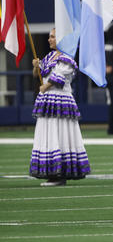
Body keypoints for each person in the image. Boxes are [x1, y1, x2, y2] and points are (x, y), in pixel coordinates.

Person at [30, 29, 91, 186]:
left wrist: (46, 86)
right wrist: (36, 66)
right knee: (48, 133)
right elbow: (39, 74)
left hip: (60, 99)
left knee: (60, 133)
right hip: (48, 100)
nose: (49, 39)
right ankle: (52, 171)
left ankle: (59, 173)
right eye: (49, 36)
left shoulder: (66, 57)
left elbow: (59, 77)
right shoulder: (49, 57)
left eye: (53, 37)